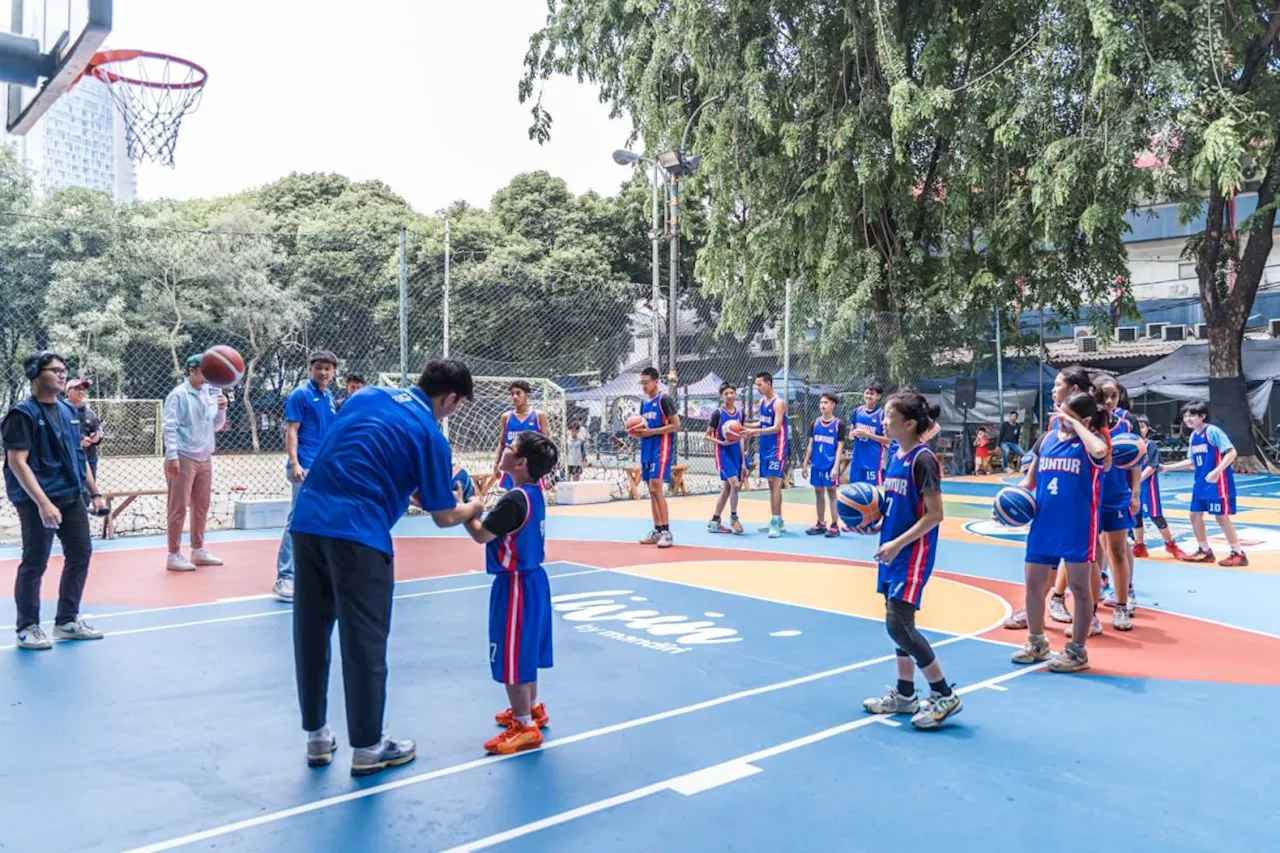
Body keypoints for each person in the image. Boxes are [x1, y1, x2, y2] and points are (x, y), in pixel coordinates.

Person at [288, 358, 484, 776]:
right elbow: (445, 515)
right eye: (458, 405)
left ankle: (317, 737)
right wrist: (476, 505)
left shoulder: (368, 395)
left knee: (311, 631)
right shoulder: (431, 434)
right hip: (359, 535)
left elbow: (357, 452)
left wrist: (402, 486)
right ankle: (368, 746)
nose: (454, 412)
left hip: (307, 522)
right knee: (364, 644)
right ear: (449, 398)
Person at [860, 390, 960, 729]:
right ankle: (905, 695)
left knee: (898, 624)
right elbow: (896, 504)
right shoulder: (896, 455)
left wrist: (897, 544)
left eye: (889, 416)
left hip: (912, 552)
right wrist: (874, 522)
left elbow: (935, 515)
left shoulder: (923, 459)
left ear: (910, 423)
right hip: (892, 549)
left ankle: (944, 693)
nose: (884, 421)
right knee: (898, 626)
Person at [462, 430, 559, 755]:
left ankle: (524, 726)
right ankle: (531, 708)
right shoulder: (532, 493)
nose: (502, 449)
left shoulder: (513, 499)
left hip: (515, 584)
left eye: (509, 447)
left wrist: (466, 508)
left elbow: (481, 536)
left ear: (520, 462)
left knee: (513, 655)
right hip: (534, 581)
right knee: (526, 649)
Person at [3, 351, 107, 649]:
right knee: (35, 560)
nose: (62, 375)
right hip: (36, 498)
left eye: (64, 370)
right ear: (36, 373)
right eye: (55, 370)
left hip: (70, 494)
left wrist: (95, 492)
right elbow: (17, 463)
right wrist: (42, 502)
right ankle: (28, 626)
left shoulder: (68, 411)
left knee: (81, 554)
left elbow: (79, 456)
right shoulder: (21, 415)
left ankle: (67, 620)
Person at [1010, 391, 1110, 673]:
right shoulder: (1048, 440)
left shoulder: (1092, 444)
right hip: (1044, 523)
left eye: (1068, 416)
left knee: (1079, 588)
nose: (1060, 420)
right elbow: (1028, 482)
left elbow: (1100, 451)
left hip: (1078, 525)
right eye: (1059, 413)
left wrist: (1079, 425)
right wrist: (1006, 502)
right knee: (1033, 586)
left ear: (1086, 420)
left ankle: (1078, 651)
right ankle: (1036, 642)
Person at [1004, 366, 1093, 631]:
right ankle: (1039, 626)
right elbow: (1033, 470)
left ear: (1073, 389)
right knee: (1041, 571)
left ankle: (1091, 613)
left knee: (1088, 568)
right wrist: (1013, 499)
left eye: (1057, 384)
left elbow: (1102, 452)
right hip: (1049, 513)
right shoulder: (1053, 429)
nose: (1053, 389)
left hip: (1085, 506)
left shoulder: (1092, 423)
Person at [273, 351, 339, 602]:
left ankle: (315, 572)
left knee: (323, 519)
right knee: (298, 518)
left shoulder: (329, 397)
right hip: (306, 466)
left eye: (328, 369)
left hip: (324, 466)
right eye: (319, 368)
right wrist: (294, 463)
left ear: (333, 372)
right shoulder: (300, 395)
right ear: (310, 369)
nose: (323, 372)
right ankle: (285, 577)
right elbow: (292, 431)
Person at [1160, 400, 1247, 566]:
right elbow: (1191, 462)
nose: (1188, 419)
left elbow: (1232, 452)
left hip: (1218, 482)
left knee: (1221, 517)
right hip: (1200, 482)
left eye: (1192, 415)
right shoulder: (1194, 436)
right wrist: (1167, 468)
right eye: (1185, 416)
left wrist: (1217, 471)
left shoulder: (1213, 431)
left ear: (1202, 416)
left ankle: (1238, 553)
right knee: (1194, 515)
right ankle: (1204, 550)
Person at [162, 354, 228, 572]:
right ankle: (173, 554)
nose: (209, 376)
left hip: (204, 456)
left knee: (201, 505)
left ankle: (198, 550)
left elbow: (216, 426)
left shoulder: (209, 394)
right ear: (192, 370)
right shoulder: (179, 395)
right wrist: (172, 456)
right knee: (178, 506)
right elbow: (169, 426)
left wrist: (222, 409)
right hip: (183, 455)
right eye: (205, 371)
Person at [634, 367, 680, 547]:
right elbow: (642, 425)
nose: (643, 386)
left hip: (661, 449)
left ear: (655, 382)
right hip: (647, 448)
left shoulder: (664, 399)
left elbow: (676, 425)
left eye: (646, 382)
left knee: (656, 487)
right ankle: (657, 530)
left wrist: (652, 431)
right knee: (651, 491)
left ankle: (667, 532)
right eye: (642, 383)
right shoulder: (644, 403)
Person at [1132, 414, 1186, 560]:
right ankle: (1139, 545)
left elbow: (1152, 466)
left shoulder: (1151, 445)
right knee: (1135, 516)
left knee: (1156, 516)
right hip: (1132, 487)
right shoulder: (1129, 445)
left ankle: (1171, 545)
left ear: (1147, 429)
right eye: (1137, 426)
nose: (1139, 429)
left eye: (1142, 426)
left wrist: (1137, 480)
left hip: (1148, 487)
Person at [742, 372, 788, 538]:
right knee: (771, 483)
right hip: (766, 446)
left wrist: (754, 431)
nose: (758, 388)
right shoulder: (762, 401)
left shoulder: (779, 403)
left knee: (773, 480)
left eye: (760, 384)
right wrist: (744, 426)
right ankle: (778, 519)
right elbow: (763, 423)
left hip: (777, 447)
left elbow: (776, 427)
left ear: (769, 383)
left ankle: (776, 521)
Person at [802, 392, 844, 537]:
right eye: (821, 403)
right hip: (816, 464)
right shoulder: (815, 423)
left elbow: (839, 448)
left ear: (833, 405)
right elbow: (810, 445)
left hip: (830, 465)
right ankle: (820, 522)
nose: (822, 405)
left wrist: (835, 467)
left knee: (831, 492)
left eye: (826, 403)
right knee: (818, 492)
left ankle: (834, 525)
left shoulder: (839, 424)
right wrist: (805, 463)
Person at [705, 382, 745, 534]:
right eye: (726, 394)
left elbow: (741, 437)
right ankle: (734, 518)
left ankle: (714, 521)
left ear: (735, 394)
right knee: (735, 484)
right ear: (722, 396)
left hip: (736, 452)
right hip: (723, 452)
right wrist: (722, 442)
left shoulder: (740, 414)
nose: (729, 396)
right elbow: (707, 436)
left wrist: (743, 461)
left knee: (728, 488)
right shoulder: (718, 414)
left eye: (731, 393)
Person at [493, 381, 549, 490]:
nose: (515, 397)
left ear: (527, 395)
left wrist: (545, 465)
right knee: (512, 500)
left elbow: (546, 444)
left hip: (531, 467)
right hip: (511, 467)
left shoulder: (538, 416)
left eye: (518, 393)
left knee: (532, 500)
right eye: (512, 394)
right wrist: (496, 464)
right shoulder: (506, 417)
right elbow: (502, 443)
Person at [64, 378, 102, 492]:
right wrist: (78, 442)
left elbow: (98, 431)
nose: (81, 392)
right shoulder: (60, 411)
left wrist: (96, 438)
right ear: (67, 391)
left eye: (83, 389)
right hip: (68, 457)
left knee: (88, 491)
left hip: (89, 456)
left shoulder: (89, 413)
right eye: (76, 389)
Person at [847, 382, 889, 485]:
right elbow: (850, 436)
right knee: (855, 492)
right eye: (867, 393)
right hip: (857, 460)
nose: (868, 396)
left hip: (873, 461)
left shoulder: (882, 415)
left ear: (878, 396)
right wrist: (853, 433)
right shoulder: (857, 412)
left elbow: (888, 441)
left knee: (872, 493)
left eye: (872, 394)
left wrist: (868, 434)